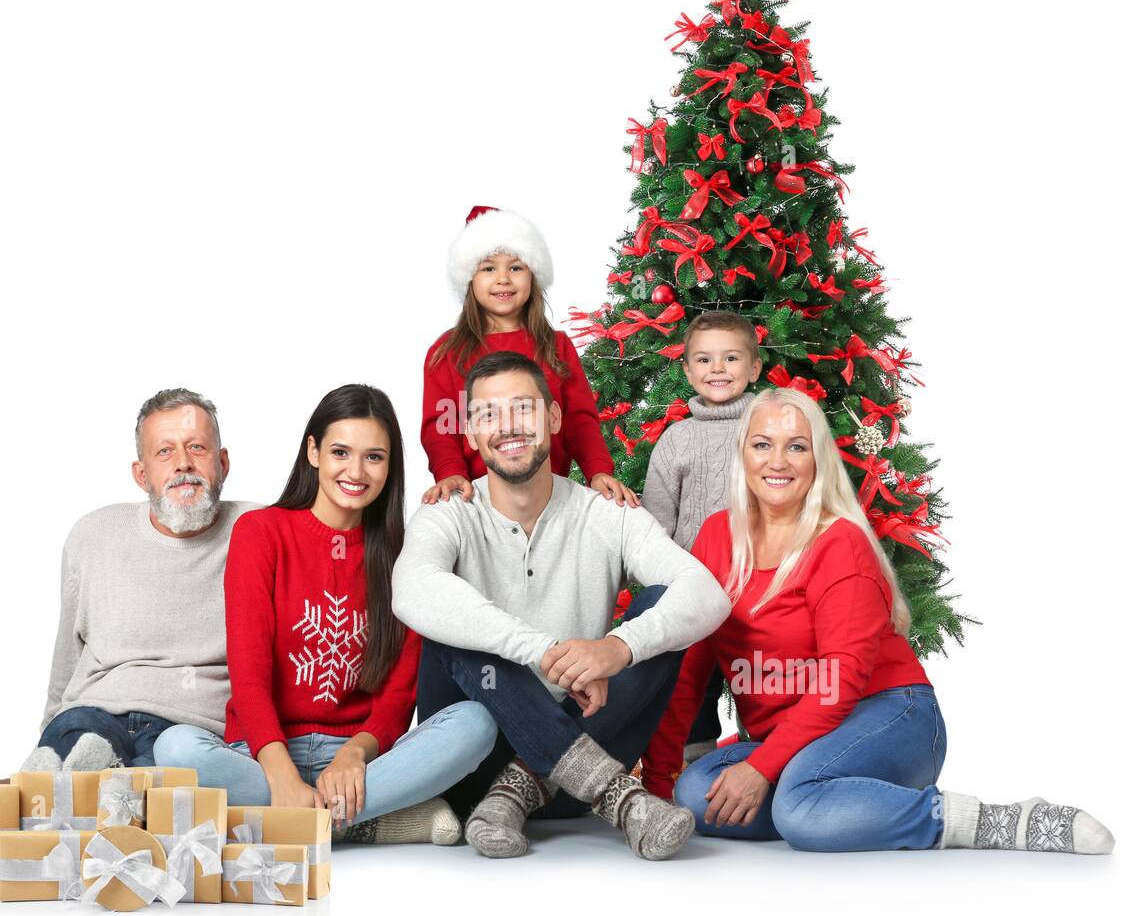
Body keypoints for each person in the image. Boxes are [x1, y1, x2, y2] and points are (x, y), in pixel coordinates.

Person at [641, 387, 1115, 855]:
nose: (777, 461)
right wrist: (661, 781)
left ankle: (985, 821)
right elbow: (692, 667)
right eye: (762, 444)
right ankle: (830, 806)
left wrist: (761, 768)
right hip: (796, 738)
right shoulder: (717, 535)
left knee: (798, 808)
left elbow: (841, 682)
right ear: (742, 454)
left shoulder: (839, 542)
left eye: (797, 446)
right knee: (694, 796)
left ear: (818, 460)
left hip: (890, 713)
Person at [393, 350, 731, 860]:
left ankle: (521, 788)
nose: (508, 427)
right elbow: (413, 590)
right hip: (475, 768)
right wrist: (544, 649)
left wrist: (618, 648)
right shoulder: (450, 513)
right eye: (488, 414)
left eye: (524, 409)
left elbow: (706, 593)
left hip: (578, 768)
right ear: (469, 433)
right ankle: (621, 801)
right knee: (453, 619)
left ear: (553, 418)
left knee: (662, 612)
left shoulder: (605, 511)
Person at [153, 384, 499, 845]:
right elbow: (249, 673)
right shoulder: (261, 533)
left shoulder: (407, 556)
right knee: (175, 748)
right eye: (340, 452)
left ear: (390, 465)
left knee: (476, 723)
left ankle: (291, 822)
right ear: (313, 451)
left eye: (374, 457)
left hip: (359, 763)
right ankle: (367, 821)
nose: (356, 471)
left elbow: (399, 693)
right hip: (260, 754)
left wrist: (356, 754)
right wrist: (280, 775)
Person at [21, 388, 260, 772]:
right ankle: (61, 770)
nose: (183, 464)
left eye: (197, 447)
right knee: (72, 738)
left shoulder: (261, 532)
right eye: (164, 452)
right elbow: (68, 653)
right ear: (141, 474)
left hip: (192, 729)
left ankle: (104, 787)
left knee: (154, 790)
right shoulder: (93, 534)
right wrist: (49, 729)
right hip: (95, 710)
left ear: (223, 462)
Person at [420, 204, 637, 507]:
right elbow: (440, 428)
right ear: (469, 278)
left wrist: (598, 471)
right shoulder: (447, 353)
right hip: (474, 498)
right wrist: (450, 471)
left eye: (516, 267)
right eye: (488, 268)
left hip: (547, 497)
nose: (503, 279)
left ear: (533, 276)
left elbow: (580, 421)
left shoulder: (556, 347)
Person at [640, 310, 762, 764]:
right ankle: (692, 762)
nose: (717, 369)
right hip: (695, 585)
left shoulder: (767, 430)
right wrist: (665, 584)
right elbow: (655, 522)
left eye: (731, 358)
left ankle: (766, 755)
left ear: (754, 368)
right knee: (692, 681)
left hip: (759, 584)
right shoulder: (677, 439)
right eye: (704, 360)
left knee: (760, 673)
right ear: (687, 369)